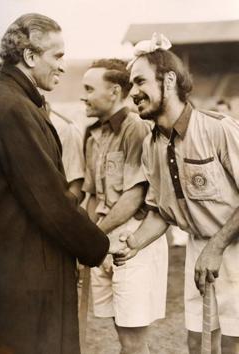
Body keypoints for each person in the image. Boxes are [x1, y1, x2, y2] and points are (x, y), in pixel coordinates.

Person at [0, 13, 126, 354]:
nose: (63, 66)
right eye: (57, 56)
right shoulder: (11, 108)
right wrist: (98, 245)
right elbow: (48, 198)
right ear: (30, 57)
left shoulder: (14, 103)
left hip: (21, 268)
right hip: (21, 276)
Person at [115, 33, 239, 354]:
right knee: (197, 343)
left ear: (168, 81)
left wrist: (217, 246)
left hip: (234, 246)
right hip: (201, 249)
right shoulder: (150, 145)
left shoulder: (218, 129)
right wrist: (132, 245)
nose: (133, 94)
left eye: (140, 81)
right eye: (130, 85)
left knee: (232, 343)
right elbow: (161, 211)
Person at [81, 58, 168, 354]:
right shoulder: (94, 134)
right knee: (123, 335)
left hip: (133, 239)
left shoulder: (137, 130)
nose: (84, 96)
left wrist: (92, 235)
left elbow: (134, 196)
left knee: (134, 342)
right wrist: (90, 237)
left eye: (89, 89)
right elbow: (92, 195)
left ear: (115, 92)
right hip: (103, 236)